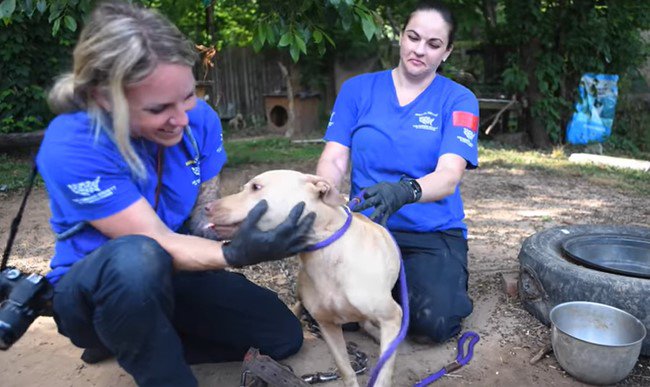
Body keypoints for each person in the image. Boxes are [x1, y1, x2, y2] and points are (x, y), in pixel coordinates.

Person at [36, 2, 315, 386]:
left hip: (173, 272)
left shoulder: (199, 120)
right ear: (104, 98)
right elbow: (154, 242)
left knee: (281, 335)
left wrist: (248, 227)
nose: (182, 119)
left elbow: (202, 220)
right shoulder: (73, 144)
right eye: (159, 108)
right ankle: (139, 351)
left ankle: (131, 338)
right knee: (137, 258)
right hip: (97, 290)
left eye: (186, 97)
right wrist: (233, 255)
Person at [316, 0, 478, 343]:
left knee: (433, 325)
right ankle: (377, 297)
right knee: (326, 310)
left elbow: (449, 176)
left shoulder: (459, 100)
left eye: (433, 44)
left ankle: (435, 284)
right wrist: (325, 193)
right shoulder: (357, 90)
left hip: (431, 233)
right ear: (401, 37)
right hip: (365, 228)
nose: (419, 50)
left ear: (446, 52)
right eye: (413, 37)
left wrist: (404, 191)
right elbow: (334, 158)